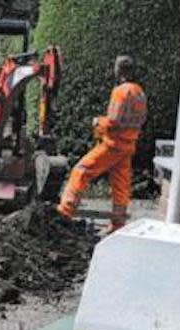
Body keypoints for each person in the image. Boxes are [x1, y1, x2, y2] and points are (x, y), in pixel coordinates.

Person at [56, 55, 147, 233]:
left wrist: (98, 122)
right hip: (128, 146)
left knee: (81, 171)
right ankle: (118, 225)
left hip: (113, 145)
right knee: (121, 186)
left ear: (119, 71)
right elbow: (141, 119)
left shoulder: (121, 91)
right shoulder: (139, 92)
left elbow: (114, 120)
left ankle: (64, 212)